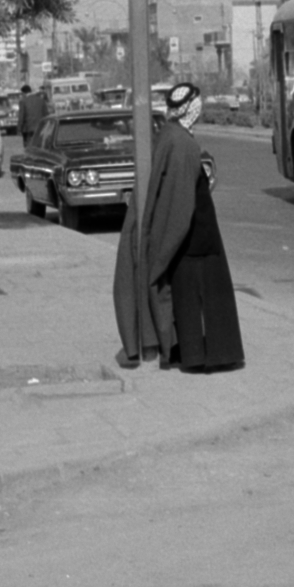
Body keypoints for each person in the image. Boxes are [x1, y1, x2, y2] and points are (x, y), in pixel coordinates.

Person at [112, 83, 244, 373]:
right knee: (208, 300)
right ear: (191, 108)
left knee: (191, 300)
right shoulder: (182, 144)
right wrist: (166, 247)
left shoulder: (170, 135)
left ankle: (195, 355)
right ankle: (209, 357)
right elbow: (180, 202)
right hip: (195, 237)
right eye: (198, 103)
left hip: (190, 237)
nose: (200, 108)